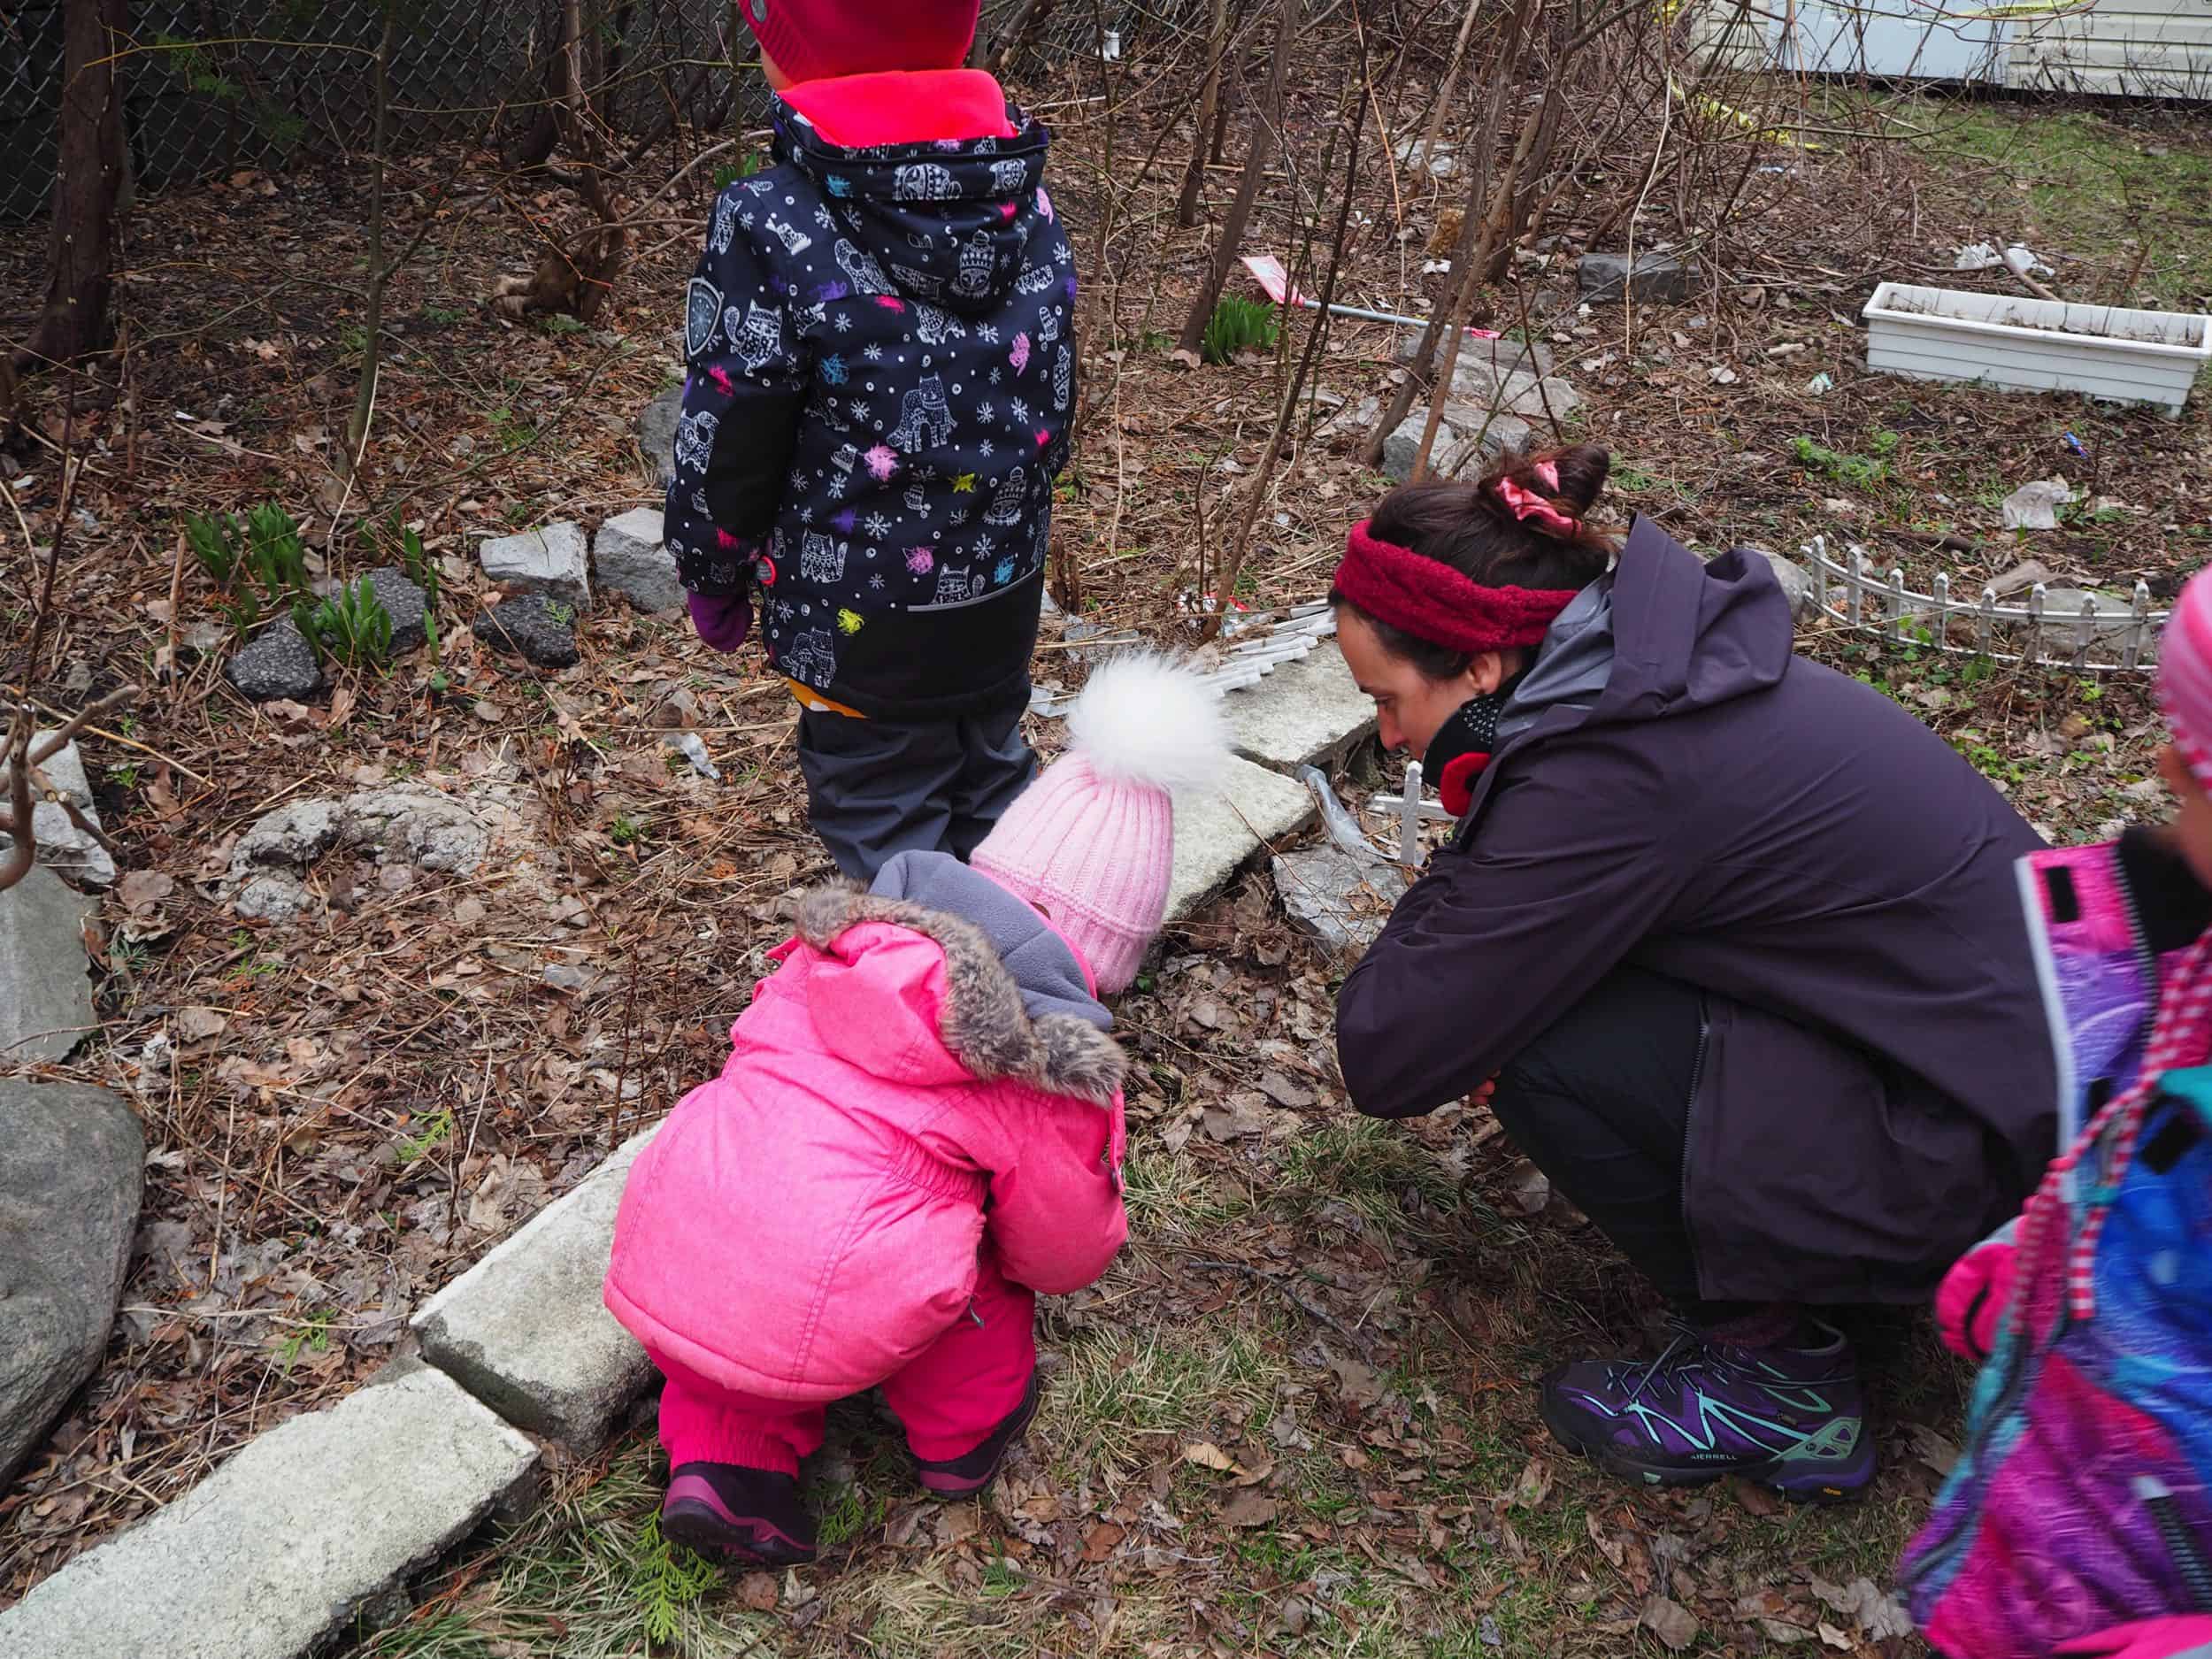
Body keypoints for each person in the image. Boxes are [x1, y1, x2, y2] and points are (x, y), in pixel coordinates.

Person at [1330, 447, 2055, 1502]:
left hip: (1982, 1167)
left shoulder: (1619, 767)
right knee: (1527, 987)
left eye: (1387, 699)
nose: (1390, 736)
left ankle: (1780, 1379)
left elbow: (1387, 1049)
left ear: (1481, 669)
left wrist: (1485, 843)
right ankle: (1822, 1273)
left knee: (1529, 1040)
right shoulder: (1656, 674)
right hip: (1989, 1098)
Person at [603, 655, 1223, 1565]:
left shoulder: (839, 949)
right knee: (975, 1273)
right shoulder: (1034, 1059)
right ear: (1100, 952)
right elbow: (1059, 1252)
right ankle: (964, 1439)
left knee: (766, 1242)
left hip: (670, 1236)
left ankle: (722, 1465)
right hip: (831, 1293)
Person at [663, 0, 1078, 878]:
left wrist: (712, 568)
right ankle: (1036, 949)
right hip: (999, 599)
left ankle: (946, 996)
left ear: (804, 55)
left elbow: (734, 423)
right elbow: (1052, 391)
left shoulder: (770, 216)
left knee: (889, 833)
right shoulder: (1022, 198)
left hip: (853, 618)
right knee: (991, 788)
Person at [1901, 567, 2212, 1659]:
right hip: (2072, 1520)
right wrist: (2039, 1248)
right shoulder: (2190, 965)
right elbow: (2139, 1131)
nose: (2169, 777)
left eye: (2194, 783)